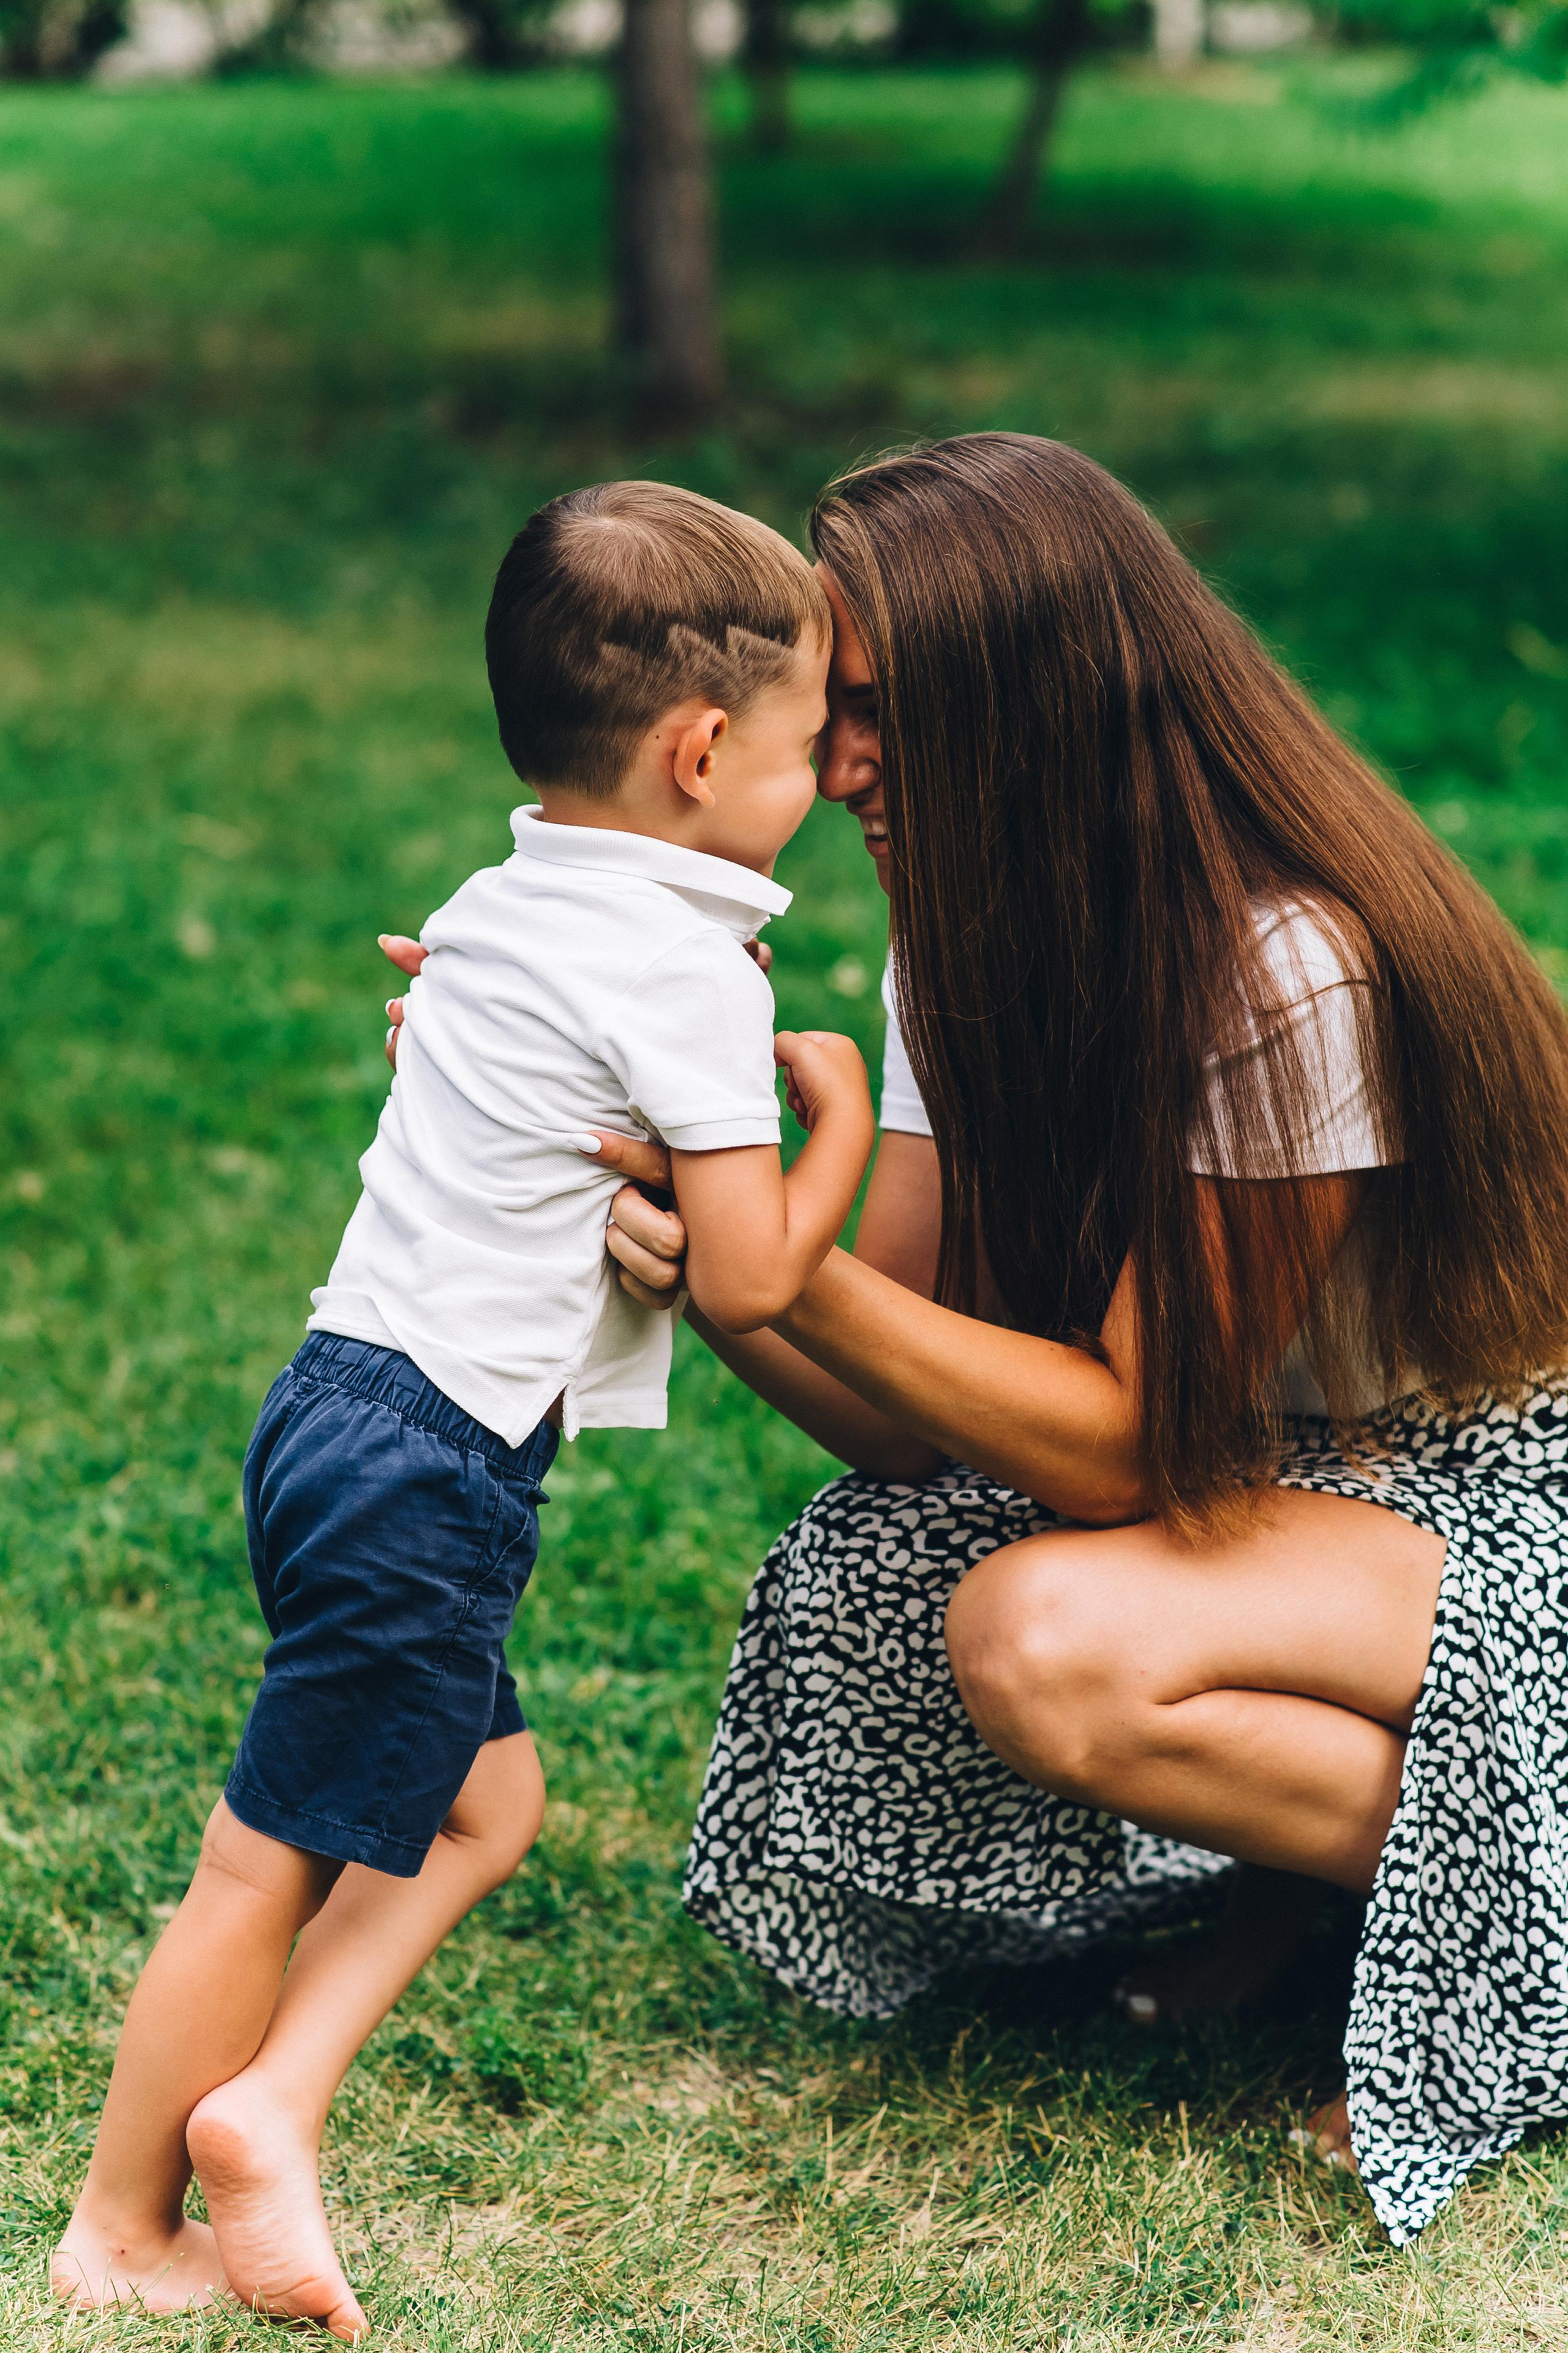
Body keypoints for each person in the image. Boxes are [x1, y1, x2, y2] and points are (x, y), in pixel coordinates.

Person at [541, 435, 1568, 2249]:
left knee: (1044, 1636)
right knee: (882, 1573)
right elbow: (922, 1425)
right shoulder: (966, 947)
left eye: (867, 711)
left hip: (1506, 1486)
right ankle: (1322, 1905)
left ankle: (1505, 1915)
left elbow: (1107, 1448)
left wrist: (783, 1254)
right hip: (1297, 1468)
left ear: (1028, 700)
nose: (828, 759)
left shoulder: (1286, 968)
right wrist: (714, 1269)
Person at [53, 481, 873, 2335]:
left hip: (336, 1409)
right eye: (813, 745)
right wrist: (837, 1114)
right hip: (434, 1458)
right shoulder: (683, 979)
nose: (827, 777)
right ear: (699, 750)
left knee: (486, 1805)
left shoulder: (497, 901)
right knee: (262, 1855)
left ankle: (262, 2099)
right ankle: (134, 2211)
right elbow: (746, 1274)